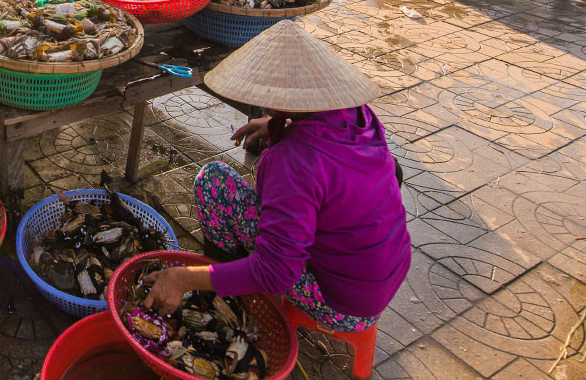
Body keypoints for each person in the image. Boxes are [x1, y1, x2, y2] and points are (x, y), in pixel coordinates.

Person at [141, 20, 411, 334]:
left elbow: (278, 271)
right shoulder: (358, 114)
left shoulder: (294, 160)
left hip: (341, 306)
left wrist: (183, 278)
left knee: (214, 182)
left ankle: (225, 290)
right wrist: (273, 122)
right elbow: (320, 135)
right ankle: (229, 278)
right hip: (383, 276)